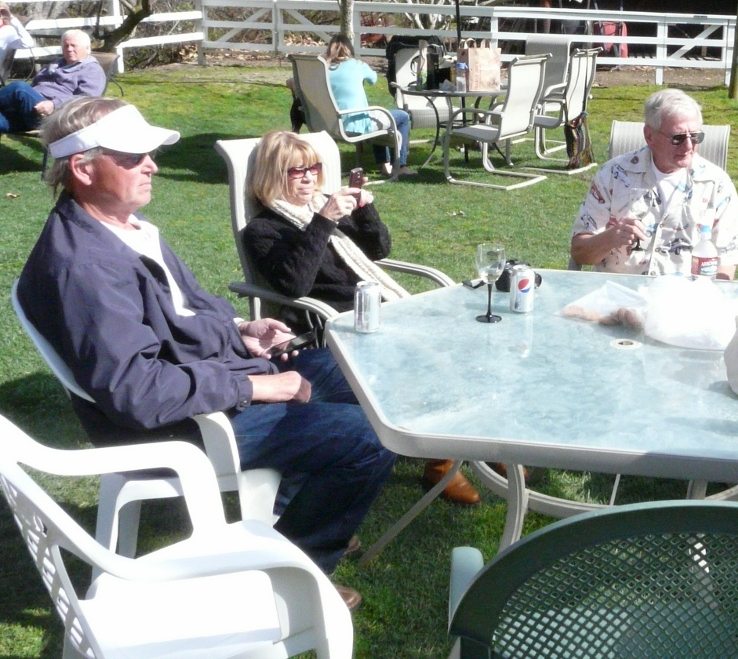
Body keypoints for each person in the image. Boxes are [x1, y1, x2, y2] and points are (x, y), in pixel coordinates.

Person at [18, 98, 397, 609]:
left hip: (213, 381)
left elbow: (186, 313)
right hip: (182, 426)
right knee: (367, 436)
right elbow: (137, 393)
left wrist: (241, 329)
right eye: (132, 156)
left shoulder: (124, 228)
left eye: (148, 153)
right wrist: (256, 385)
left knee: (360, 376)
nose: (151, 164)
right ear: (83, 169)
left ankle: (310, 508)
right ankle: (297, 568)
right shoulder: (83, 267)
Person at [241, 129, 479, 505]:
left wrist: (364, 209)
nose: (308, 177)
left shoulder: (321, 206)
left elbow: (379, 249)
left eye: (313, 168)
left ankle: (459, 445)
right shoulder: (263, 230)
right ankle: (441, 460)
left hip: (375, 306)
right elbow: (295, 284)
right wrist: (323, 220)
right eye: (295, 171)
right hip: (333, 322)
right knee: (425, 353)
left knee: (459, 339)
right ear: (272, 175)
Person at [570, 88, 738, 277]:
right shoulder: (613, 175)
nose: (689, 146)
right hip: (619, 295)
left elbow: (728, 260)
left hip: (686, 298)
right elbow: (580, 253)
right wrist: (611, 237)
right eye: (678, 138)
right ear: (650, 136)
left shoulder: (716, 183)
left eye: (695, 136)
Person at [325, 33, 411, 179]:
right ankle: (400, 165)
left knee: (379, 117)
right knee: (402, 117)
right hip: (356, 124)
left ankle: (385, 164)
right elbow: (373, 79)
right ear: (350, 49)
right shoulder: (358, 65)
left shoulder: (323, 70)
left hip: (330, 124)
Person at [0, 28, 105, 133]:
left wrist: (54, 104)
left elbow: (86, 99)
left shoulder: (92, 70)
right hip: (28, 110)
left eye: (74, 45)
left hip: (53, 116)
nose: (69, 49)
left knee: (20, 88)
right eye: (66, 45)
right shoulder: (56, 64)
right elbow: (35, 84)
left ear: (86, 48)